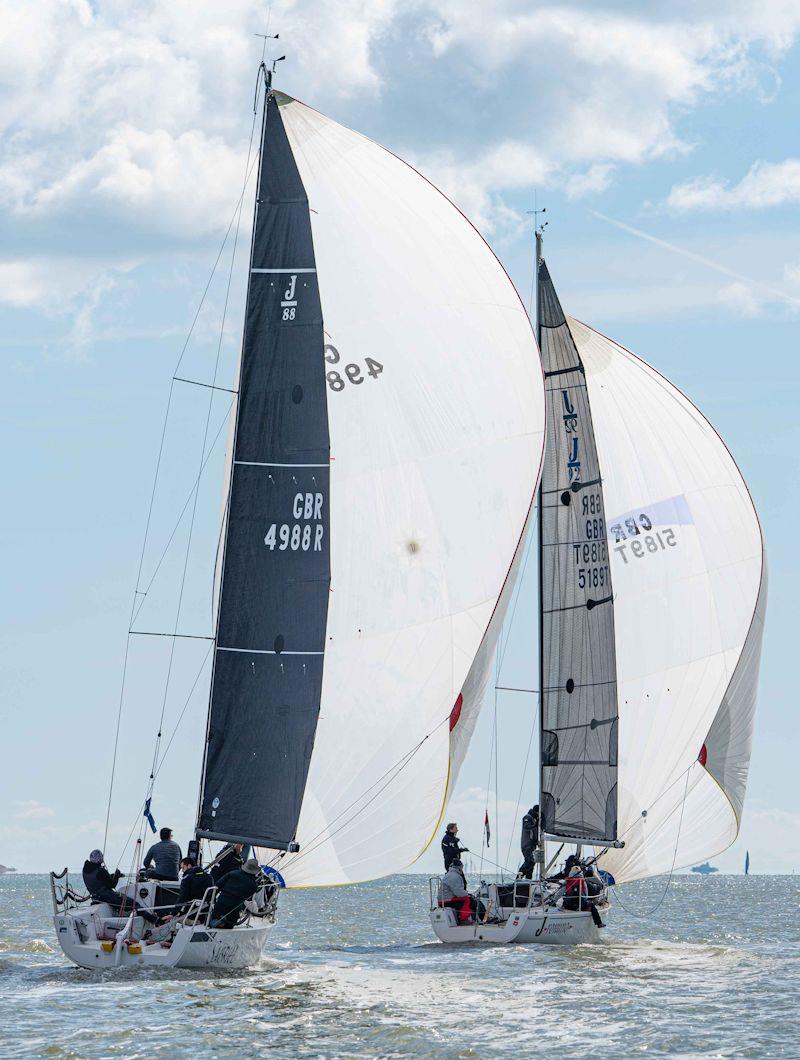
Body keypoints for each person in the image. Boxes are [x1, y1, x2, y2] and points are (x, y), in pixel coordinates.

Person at [82, 849, 157, 924]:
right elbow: (112, 885)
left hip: (96, 898)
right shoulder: (101, 871)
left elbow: (100, 880)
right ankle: (154, 920)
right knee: (134, 904)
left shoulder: (85, 870)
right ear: (100, 859)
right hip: (108, 897)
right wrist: (117, 875)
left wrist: (112, 876)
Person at [210, 858, 263, 929]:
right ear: (255, 871)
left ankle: (217, 921)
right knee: (229, 925)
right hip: (234, 909)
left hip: (220, 905)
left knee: (216, 916)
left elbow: (218, 885)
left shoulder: (232, 873)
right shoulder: (253, 884)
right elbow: (248, 897)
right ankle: (223, 923)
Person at [517, 804, 540, 879]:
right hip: (527, 844)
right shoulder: (527, 817)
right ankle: (519, 878)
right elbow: (526, 826)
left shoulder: (534, 819)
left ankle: (528, 880)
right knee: (530, 861)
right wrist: (535, 825)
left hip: (532, 845)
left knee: (532, 863)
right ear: (537, 812)